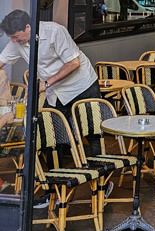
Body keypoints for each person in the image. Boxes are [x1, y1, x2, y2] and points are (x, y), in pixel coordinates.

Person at [0, 10, 104, 205]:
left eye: (15, 36)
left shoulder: (55, 32)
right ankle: (55, 190)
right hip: (56, 91)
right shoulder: (17, 43)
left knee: (93, 135)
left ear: (28, 28)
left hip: (82, 85)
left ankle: (101, 188)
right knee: (49, 137)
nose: (13, 41)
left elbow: (73, 63)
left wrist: (45, 84)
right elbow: (1, 62)